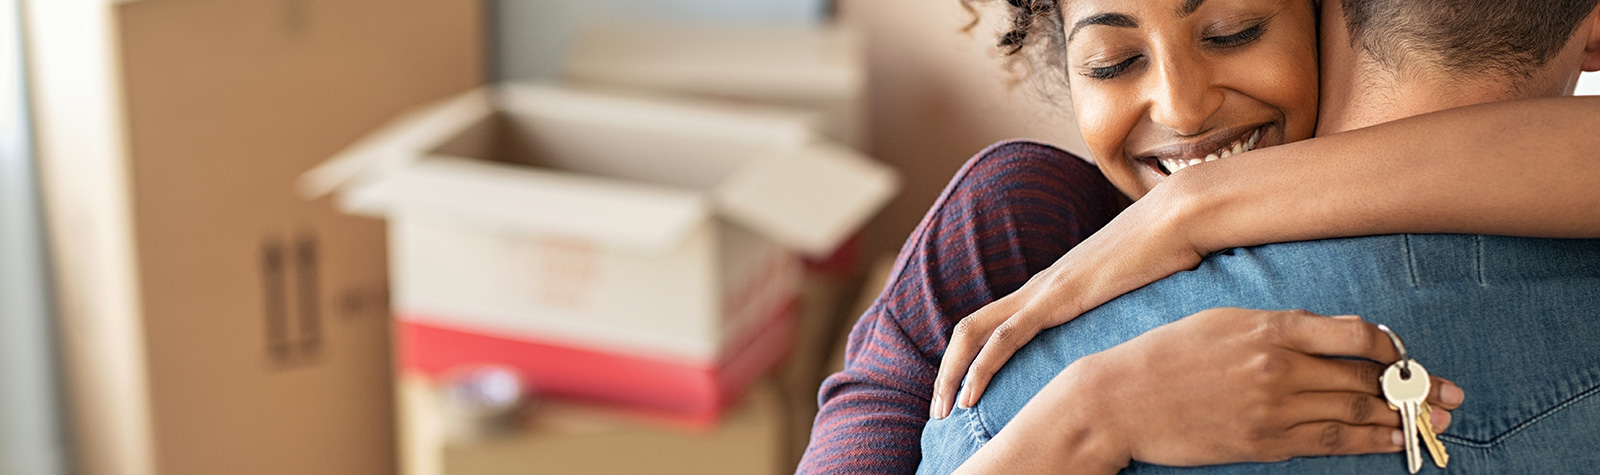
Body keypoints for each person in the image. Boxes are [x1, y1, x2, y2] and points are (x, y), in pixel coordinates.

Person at [798, 0, 1600, 472]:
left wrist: (1198, 204)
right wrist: (1087, 415)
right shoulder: (1013, 220)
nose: (1183, 109)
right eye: (1112, 63)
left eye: (1233, 31)